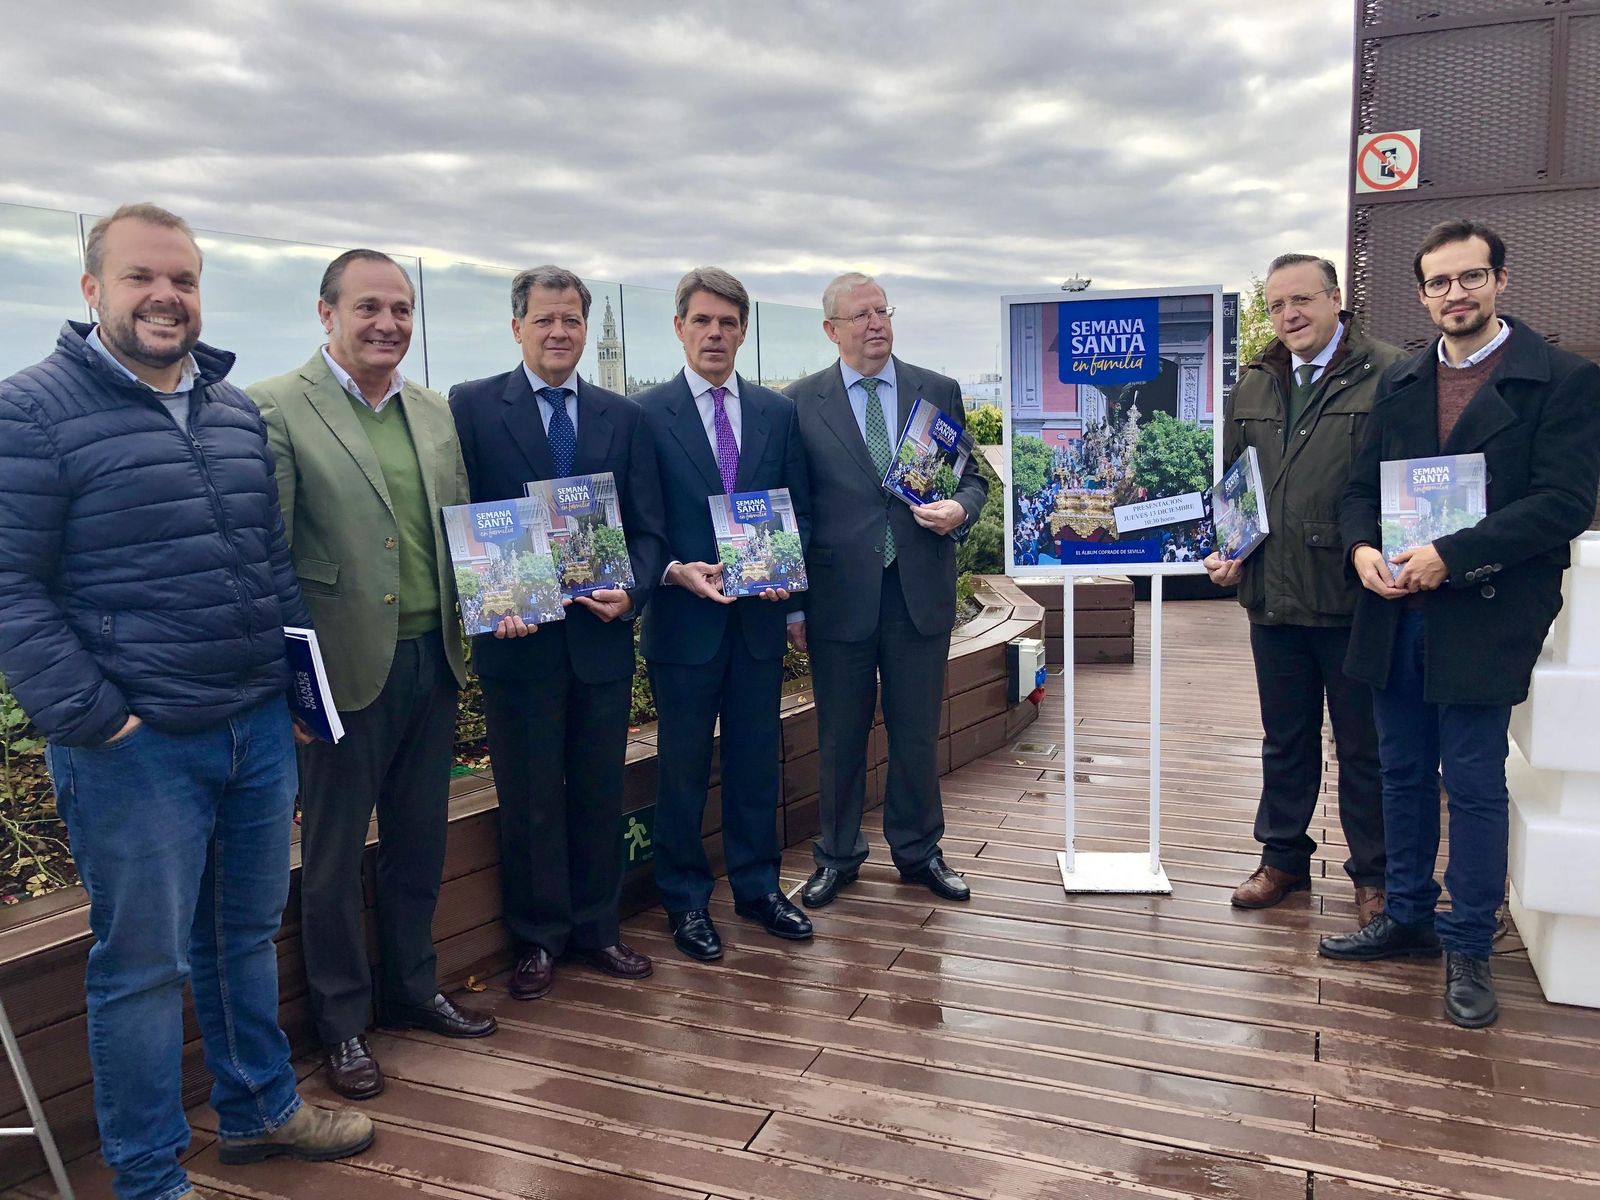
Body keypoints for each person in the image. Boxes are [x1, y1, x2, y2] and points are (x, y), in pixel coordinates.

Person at [0, 204, 371, 1200]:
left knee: (244, 933)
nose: (166, 297)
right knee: (143, 967)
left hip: (253, 724)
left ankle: (255, 1111)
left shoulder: (231, 409)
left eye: (184, 280)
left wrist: (297, 690)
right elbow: (9, 590)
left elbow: (267, 565)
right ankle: (149, 1174)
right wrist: (98, 718)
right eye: (140, 278)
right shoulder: (29, 412)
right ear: (92, 292)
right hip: (136, 747)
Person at [1320, 219, 1600, 1028]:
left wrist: (1454, 554)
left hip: (1484, 609)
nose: (1455, 294)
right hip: (1395, 607)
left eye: (1470, 278)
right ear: (1422, 293)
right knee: (1399, 771)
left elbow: (1564, 504)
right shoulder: (1402, 383)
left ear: (1500, 281)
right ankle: (1406, 914)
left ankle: (1469, 939)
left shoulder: (1564, 380)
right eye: (1439, 283)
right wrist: (1363, 548)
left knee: (1472, 783)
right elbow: (1356, 492)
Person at [248, 249, 495, 1102]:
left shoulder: (433, 411)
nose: (388, 323)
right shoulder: (277, 407)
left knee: (420, 838)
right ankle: (343, 1023)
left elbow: (459, 529)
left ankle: (411, 986)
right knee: (331, 853)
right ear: (327, 313)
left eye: (401, 308)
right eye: (368, 308)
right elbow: (266, 553)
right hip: (342, 669)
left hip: (436, 657)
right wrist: (288, 681)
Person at [449, 266, 668, 999]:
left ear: (588, 327)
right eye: (544, 320)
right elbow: (462, 520)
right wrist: (488, 592)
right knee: (531, 795)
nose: (559, 333)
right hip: (519, 643)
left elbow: (647, 529)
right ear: (517, 328)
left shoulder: (623, 416)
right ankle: (538, 939)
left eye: (571, 319)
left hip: (600, 640)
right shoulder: (473, 408)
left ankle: (599, 930)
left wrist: (632, 589)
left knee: (600, 791)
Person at [1205, 254, 1402, 928]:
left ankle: (1374, 876)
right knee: (1284, 739)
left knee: (1364, 746)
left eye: (1303, 301)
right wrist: (1229, 551)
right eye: (1279, 304)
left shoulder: (1389, 372)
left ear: (1336, 299)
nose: (1290, 315)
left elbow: (1399, 480)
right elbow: (1236, 479)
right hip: (1273, 593)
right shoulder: (1257, 381)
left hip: (1354, 593)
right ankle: (1282, 858)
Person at [785, 273, 988, 908]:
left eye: (882, 311)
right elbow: (791, 508)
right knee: (840, 735)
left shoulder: (938, 390)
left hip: (917, 590)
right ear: (831, 330)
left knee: (918, 732)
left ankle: (919, 851)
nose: (875, 323)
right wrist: (792, 600)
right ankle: (837, 856)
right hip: (838, 598)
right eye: (860, 315)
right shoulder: (798, 403)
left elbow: (974, 478)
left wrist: (960, 508)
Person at [634, 267, 813, 961]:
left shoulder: (777, 412)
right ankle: (684, 900)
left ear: (744, 330)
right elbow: (637, 520)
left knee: (753, 762)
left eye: (728, 323)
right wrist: (673, 569)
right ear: (679, 327)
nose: (715, 334)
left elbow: (792, 510)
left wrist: (791, 592)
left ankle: (759, 887)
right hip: (684, 623)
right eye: (702, 321)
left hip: (759, 621)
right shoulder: (645, 414)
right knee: (679, 767)